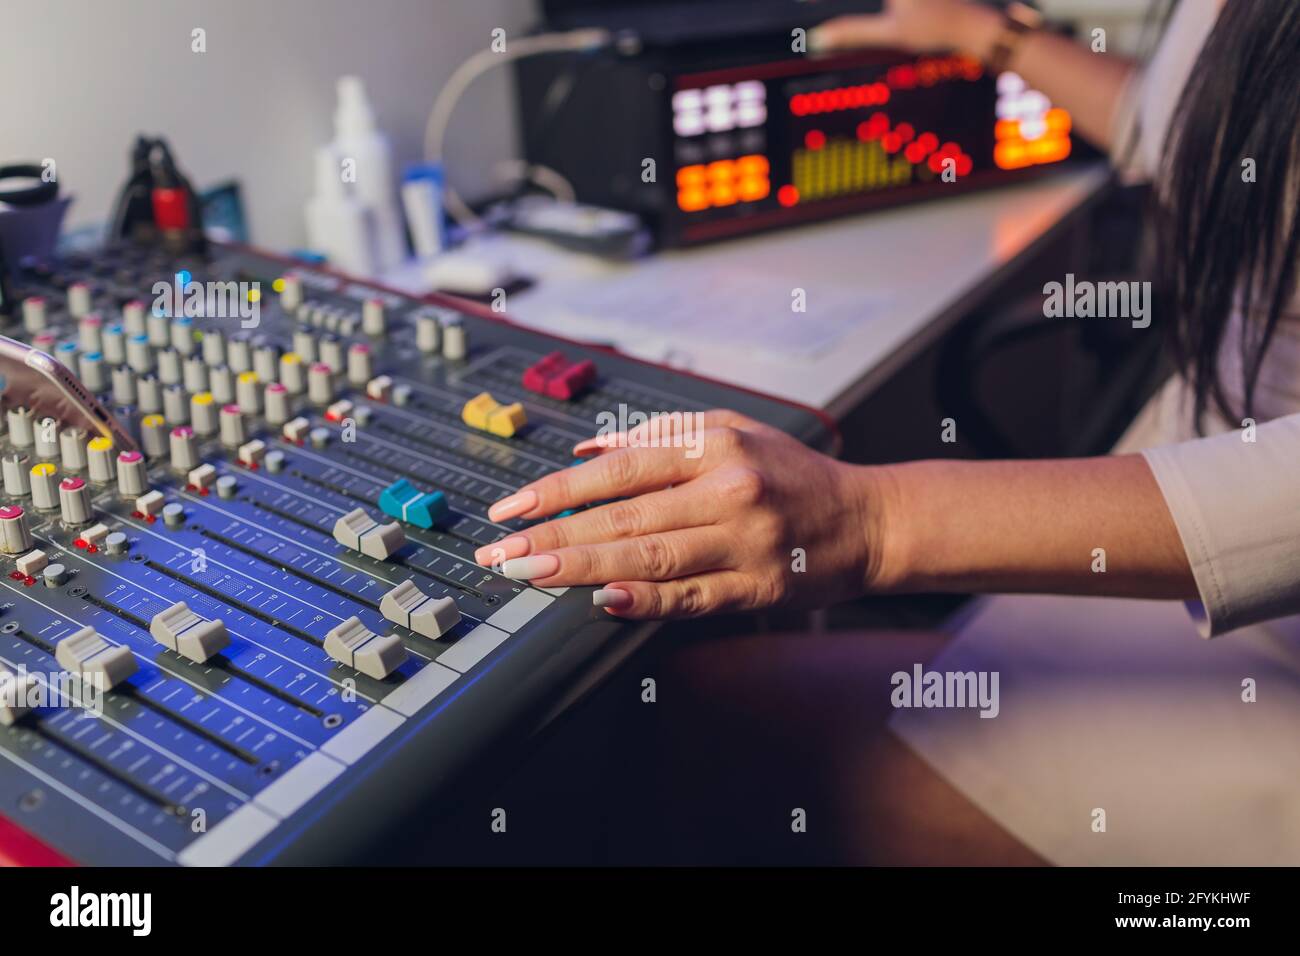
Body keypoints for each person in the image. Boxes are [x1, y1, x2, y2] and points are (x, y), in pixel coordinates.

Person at [476, 0, 1300, 864]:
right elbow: (1214, 141)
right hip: (1178, 538)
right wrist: (989, 37)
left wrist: (873, 521)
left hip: (1268, 647)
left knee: (705, 709)